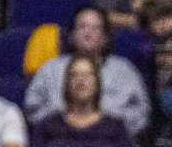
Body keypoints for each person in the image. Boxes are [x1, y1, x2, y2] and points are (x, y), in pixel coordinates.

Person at [22, 7, 150, 139]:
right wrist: (63, 125)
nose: (88, 33)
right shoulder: (50, 68)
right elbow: (33, 108)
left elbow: (141, 112)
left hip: (111, 144)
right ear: (72, 35)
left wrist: (109, 128)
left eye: (95, 28)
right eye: (82, 27)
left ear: (105, 37)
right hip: (60, 142)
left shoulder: (125, 70)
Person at [31, 53, 136, 147]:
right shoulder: (47, 127)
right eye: (74, 75)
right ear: (67, 83)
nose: (81, 80)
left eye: (87, 75)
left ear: (97, 82)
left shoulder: (116, 128)